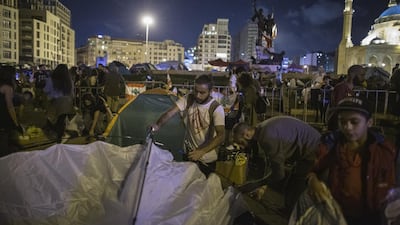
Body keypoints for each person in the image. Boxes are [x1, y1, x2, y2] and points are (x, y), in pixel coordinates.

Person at [307, 96, 397, 225]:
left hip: (374, 218)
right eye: (342, 121)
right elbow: (313, 171)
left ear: (369, 122)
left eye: (354, 122)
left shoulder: (385, 152)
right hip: (338, 217)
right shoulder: (332, 146)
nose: (347, 127)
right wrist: (312, 181)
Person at [232, 116, 321, 215]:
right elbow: (272, 164)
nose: (241, 147)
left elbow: (279, 174)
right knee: (291, 187)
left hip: (314, 150)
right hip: (309, 148)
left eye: (241, 143)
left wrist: (255, 185)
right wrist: (261, 188)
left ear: (247, 135)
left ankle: (295, 216)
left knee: (295, 188)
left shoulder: (267, 138)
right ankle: (291, 212)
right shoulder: (261, 129)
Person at [151, 74, 225, 172]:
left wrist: (201, 152)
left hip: (207, 158)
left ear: (210, 92)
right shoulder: (189, 99)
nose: (198, 95)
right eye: (196, 91)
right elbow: (170, 113)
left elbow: (221, 136)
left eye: (202, 93)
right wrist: (157, 125)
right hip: (189, 154)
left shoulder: (216, 108)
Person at [43, 64, 75, 143]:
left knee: (51, 119)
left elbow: (46, 90)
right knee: (61, 121)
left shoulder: (51, 80)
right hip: (66, 103)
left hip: (55, 102)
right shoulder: (69, 80)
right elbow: (72, 93)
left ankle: (55, 137)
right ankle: (59, 139)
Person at [0, 66, 22, 157]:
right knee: (4, 138)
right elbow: (10, 106)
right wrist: (16, 122)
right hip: (3, 115)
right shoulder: (7, 87)